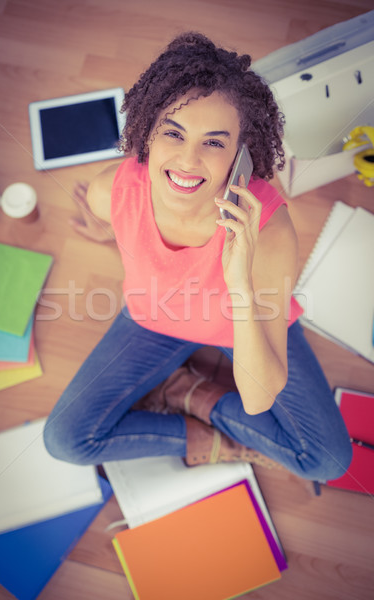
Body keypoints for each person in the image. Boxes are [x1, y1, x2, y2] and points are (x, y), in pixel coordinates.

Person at [43, 32, 352, 480]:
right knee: (64, 440)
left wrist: (240, 278)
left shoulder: (268, 230)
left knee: (329, 461)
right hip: (155, 321)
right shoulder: (110, 192)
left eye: (213, 142)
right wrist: (111, 232)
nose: (187, 161)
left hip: (240, 327)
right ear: (148, 129)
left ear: (240, 154)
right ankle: (204, 429)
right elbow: (128, 223)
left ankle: (193, 393)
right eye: (173, 132)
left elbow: (258, 398)